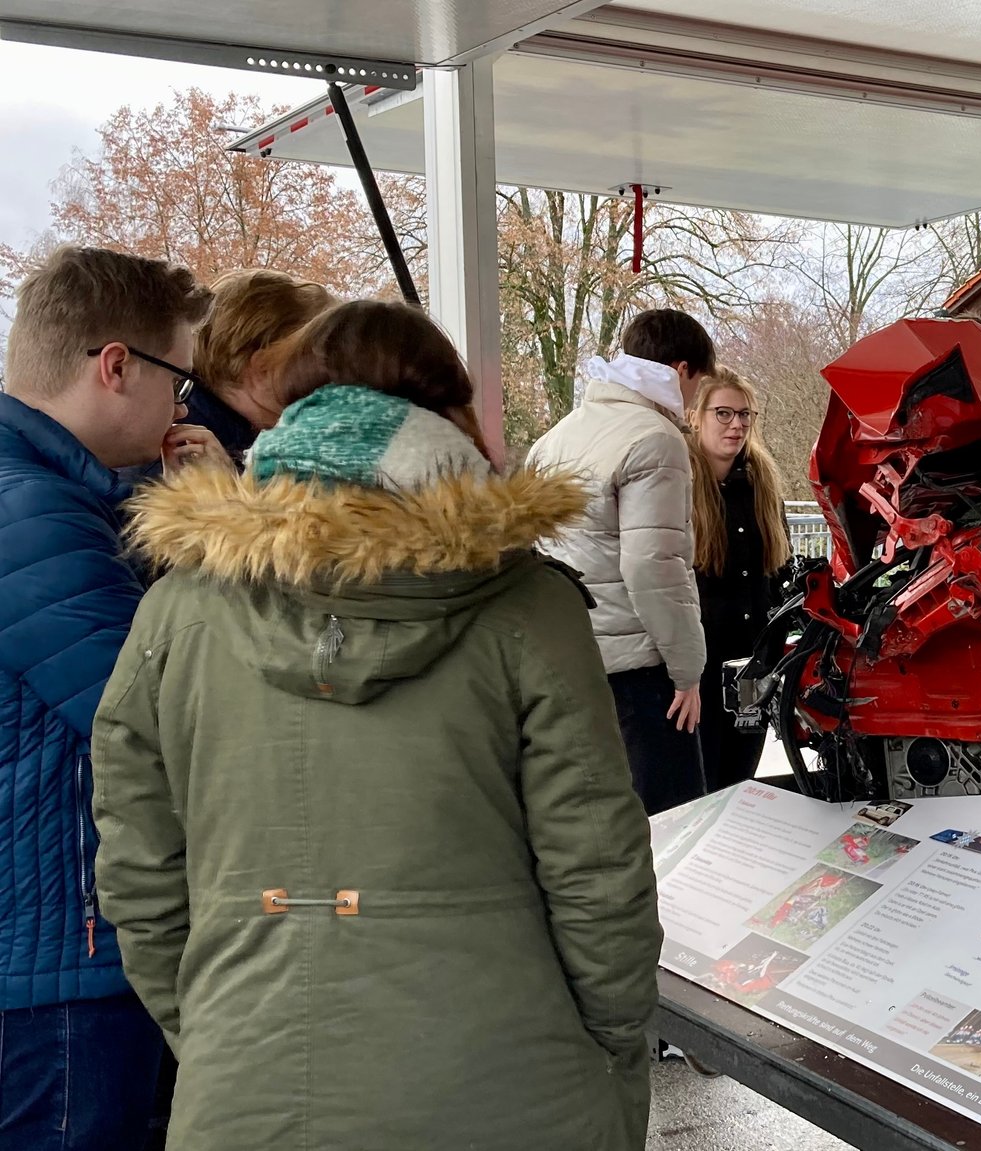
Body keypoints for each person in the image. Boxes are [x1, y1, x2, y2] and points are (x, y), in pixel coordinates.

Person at [89, 300, 663, 1150]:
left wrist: (217, 1028)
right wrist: (616, 1047)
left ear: (289, 413)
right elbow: (599, 872)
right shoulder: (529, 609)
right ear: (450, 415)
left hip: (247, 1089)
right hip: (514, 1085)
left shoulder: (176, 611)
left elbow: (138, 873)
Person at [0, 245, 215, 1150]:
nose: (183, 408)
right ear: (117, 365)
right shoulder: (33, 515)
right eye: (180, 381)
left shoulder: (54, 497)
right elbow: (169, 718)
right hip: (64, 960)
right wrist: (219, 526)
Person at [528, 307, 714, 813]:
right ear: (681, 371)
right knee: (672, 825)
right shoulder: (655, 438)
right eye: (698, 385)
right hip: (641, 672)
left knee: (599, 822)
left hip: (573, 660)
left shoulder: (556, 437)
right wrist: (687, 670)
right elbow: (653, 566)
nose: (693, 400)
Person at [117, 268, 335, 483]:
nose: (332, 387)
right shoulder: (182, 455)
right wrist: (229, 495)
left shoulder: (222, 435)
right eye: (319, 370)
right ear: (263, 370)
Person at [686, 364, 794, 792]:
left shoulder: (763, 484)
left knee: (740, 782)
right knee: (700, 782)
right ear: (697, 416)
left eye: (745, 415)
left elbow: (779, 571)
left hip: (753, 666)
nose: (737, 425)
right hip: (698, 667)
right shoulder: (678, 481)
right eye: (724, 413)